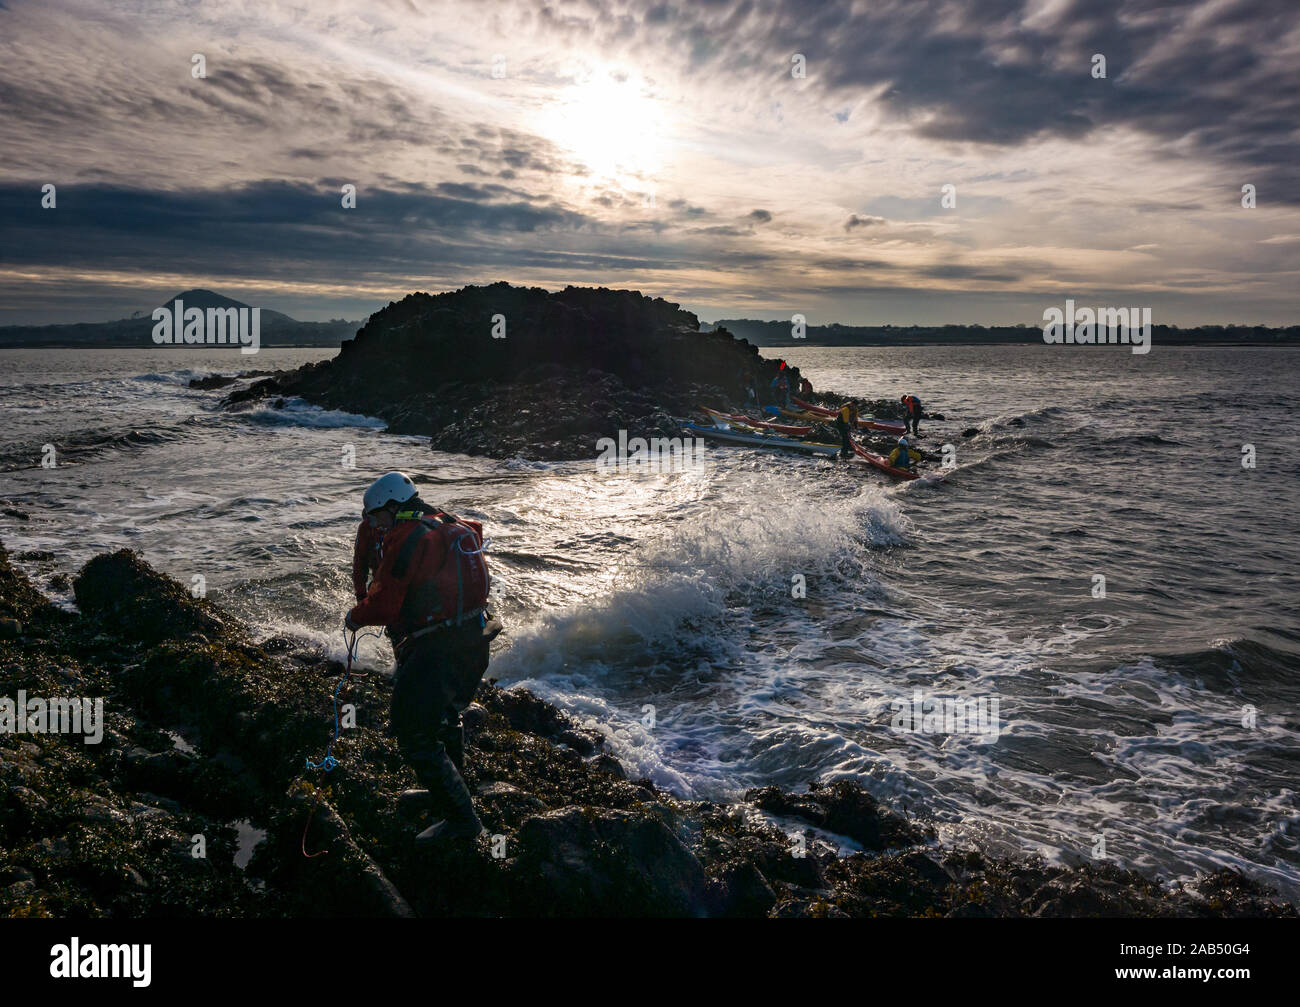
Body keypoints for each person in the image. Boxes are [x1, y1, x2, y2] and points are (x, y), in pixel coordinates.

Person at [344, 471, 500, 845]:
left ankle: (463, 820)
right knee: (445, 715)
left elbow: (384, 603)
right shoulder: (451, 523)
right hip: (475, 639)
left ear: (394, 506)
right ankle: (449, 791)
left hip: (439, 650)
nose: (374, 525)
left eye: (376, 516)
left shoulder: (406, 537)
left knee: (412, 730)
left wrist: (355, 616)